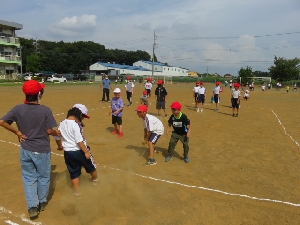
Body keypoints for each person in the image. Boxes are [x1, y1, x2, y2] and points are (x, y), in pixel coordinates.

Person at [0, 80, 60, 219]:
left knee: (29, 178)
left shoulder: (17, 108)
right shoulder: (45, 110)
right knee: (43, 176)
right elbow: (49, 130)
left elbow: (2, 122)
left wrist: (17, 132)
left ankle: (32, 206)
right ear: (39, 94)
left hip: (25, 149)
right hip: (42, 149)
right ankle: (42, 202)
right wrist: (55, 133)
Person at [56, 104, 98, 197]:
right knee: (91, 167)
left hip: (68, 153)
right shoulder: (76, 124)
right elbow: (79, 141)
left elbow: (57, 136)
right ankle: (95, 180)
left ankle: (77, 192)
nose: (82, 119)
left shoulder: (62, 122)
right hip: (80, 151)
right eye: (82, 116)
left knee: (74, 173)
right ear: (79, 114)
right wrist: (86, 152)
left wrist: (59, 146)